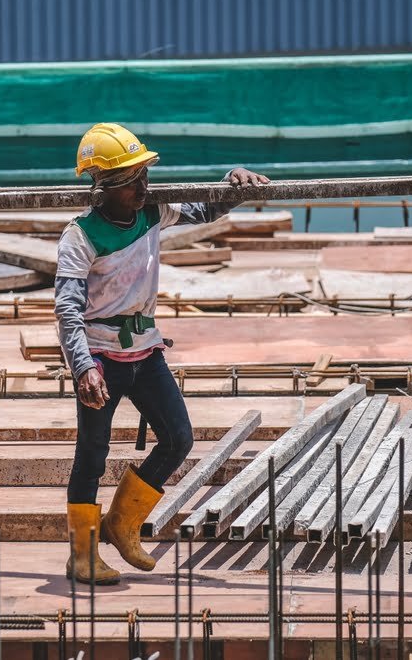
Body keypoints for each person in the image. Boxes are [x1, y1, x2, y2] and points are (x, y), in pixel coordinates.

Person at [55, 123, 269, 584]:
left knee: (178, 439)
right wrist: (82, 367)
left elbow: (205, 209)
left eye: (144, 175)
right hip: (101, 356)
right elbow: (68, 310)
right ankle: (82, 554)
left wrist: (233, 184)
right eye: (132, 179)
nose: (143, 186)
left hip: (146, 352)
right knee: (91, 452)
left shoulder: (153, 212)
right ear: (105, 187)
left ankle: (122, 523)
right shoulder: (80, 236)